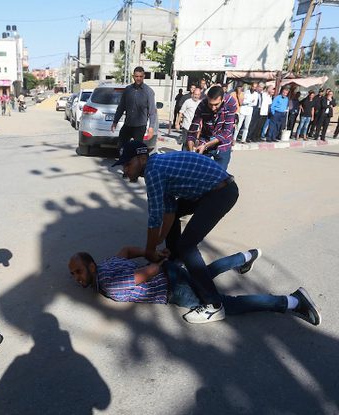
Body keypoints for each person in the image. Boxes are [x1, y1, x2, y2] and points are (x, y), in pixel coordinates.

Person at [111, 142, 239, 324]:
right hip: (212, 190)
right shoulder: (158, 166)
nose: (125, 170)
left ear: (141, 158)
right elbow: (169, 211)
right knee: (177, 216)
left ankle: (214, 306)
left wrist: (150, 251)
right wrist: (161, 240)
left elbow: (155, 217)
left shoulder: (153, 171)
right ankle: (174, 260)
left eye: (128, 164)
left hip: (221, 193)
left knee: (187, 246)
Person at [68, 248, 321, 326]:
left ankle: (293, 301)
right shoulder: (105, 265)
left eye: (78, 271)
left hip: (174, 290)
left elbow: (144, 274)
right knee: (205, 275)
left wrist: (160, 261)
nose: (76, 278)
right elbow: (126, 251)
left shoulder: (109, 286)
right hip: (172, 275)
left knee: (227, 305)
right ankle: (245, 257)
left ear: (91, 267)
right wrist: (153, 253)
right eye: (73, 274)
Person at [186, 85, 237, 170]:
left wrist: (206, 145)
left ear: (222, 100)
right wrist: (191, 152)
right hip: (205, 140)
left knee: (219, 176)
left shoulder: (231, 103)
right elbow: (192, 130)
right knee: (201, 174)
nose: (213, 108)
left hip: (223, 145)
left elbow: (227, 131)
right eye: (210, 104)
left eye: (216, 104)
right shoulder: (202, 106)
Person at [111, 66, 157, 149]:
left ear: (144, 76)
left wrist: (151, 127)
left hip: (140, 126)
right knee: (121, 147)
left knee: (137, 150)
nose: (138, 78)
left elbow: (152, 111)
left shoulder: (148, 91)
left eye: (140, 76)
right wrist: (115, 122)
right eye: (136, 76)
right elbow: (121, 107)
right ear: (133, 76)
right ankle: (124, 161)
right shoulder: (128, 90)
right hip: (128, 124)